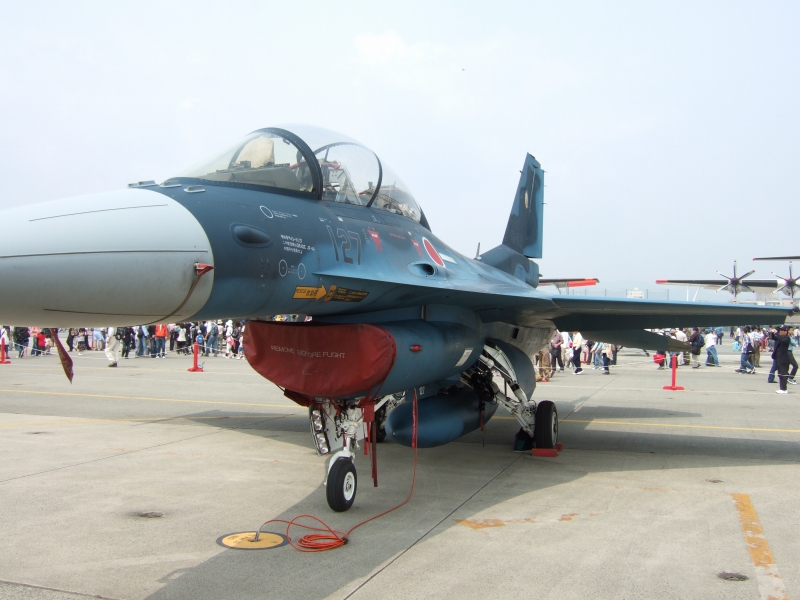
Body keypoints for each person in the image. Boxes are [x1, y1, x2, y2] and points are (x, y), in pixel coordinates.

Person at [774, 325, 793, 393]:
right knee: (780, 373)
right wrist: (772, 333)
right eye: (780, 331)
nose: (780, 332)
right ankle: (781, 388)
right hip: (779, 358)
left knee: (784, 373)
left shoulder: (787, 338)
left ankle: (784, 388)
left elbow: (782, 340)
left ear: (785, 332)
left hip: (784, 359)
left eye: (782, 331)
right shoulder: (780, 337)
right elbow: (774, 338)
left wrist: (777, 334)